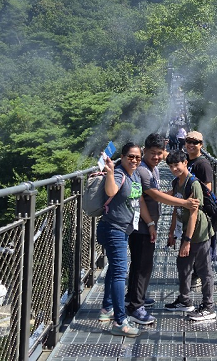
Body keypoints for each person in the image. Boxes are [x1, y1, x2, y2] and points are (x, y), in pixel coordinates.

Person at [125, 134, 199, 325]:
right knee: (143, 265)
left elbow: (160, 193)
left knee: (141, 263)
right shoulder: (142, 170)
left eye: (159, 154)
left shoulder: (153, 168)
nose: (157, 157)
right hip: (141, 225)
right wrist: (185, 202)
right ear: (144, 151)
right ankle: (135, 306)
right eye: (152, 153)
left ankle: (134, 296)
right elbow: (155, 196)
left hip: (146, 224)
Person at [96, 142, 146, 337]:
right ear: (123, 157)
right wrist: (109, 172)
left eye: (138, 157)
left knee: (114, 268)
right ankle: (119, 321)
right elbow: (111, 191)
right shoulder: (118, 172)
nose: (134, 160)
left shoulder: (134, 173)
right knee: (119, 273)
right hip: (114, 229)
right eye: (131, 157)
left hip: (123, 228)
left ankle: (106, 308)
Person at [164, 150, 216, 321]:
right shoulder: (176, 182)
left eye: (176, 165)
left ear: (185, 163)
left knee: (203, 269)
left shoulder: (193, 184)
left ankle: (209, 307)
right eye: (170, 166)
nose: (173, 169)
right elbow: (175, 208)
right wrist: (172, 232)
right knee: (183, 265)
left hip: (199, 233)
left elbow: (194, 214)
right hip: (184, 230)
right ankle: (184, 300)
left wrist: (186, 241)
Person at [183, 130, 217, 261]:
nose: (191, 145)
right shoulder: (187, 160)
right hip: (188, 208)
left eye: (195, 142)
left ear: (201, 145)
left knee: (198, 248)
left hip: (198, 210)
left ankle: (197, 277)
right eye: (188, 142)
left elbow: (207, 191)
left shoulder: (203, 164)